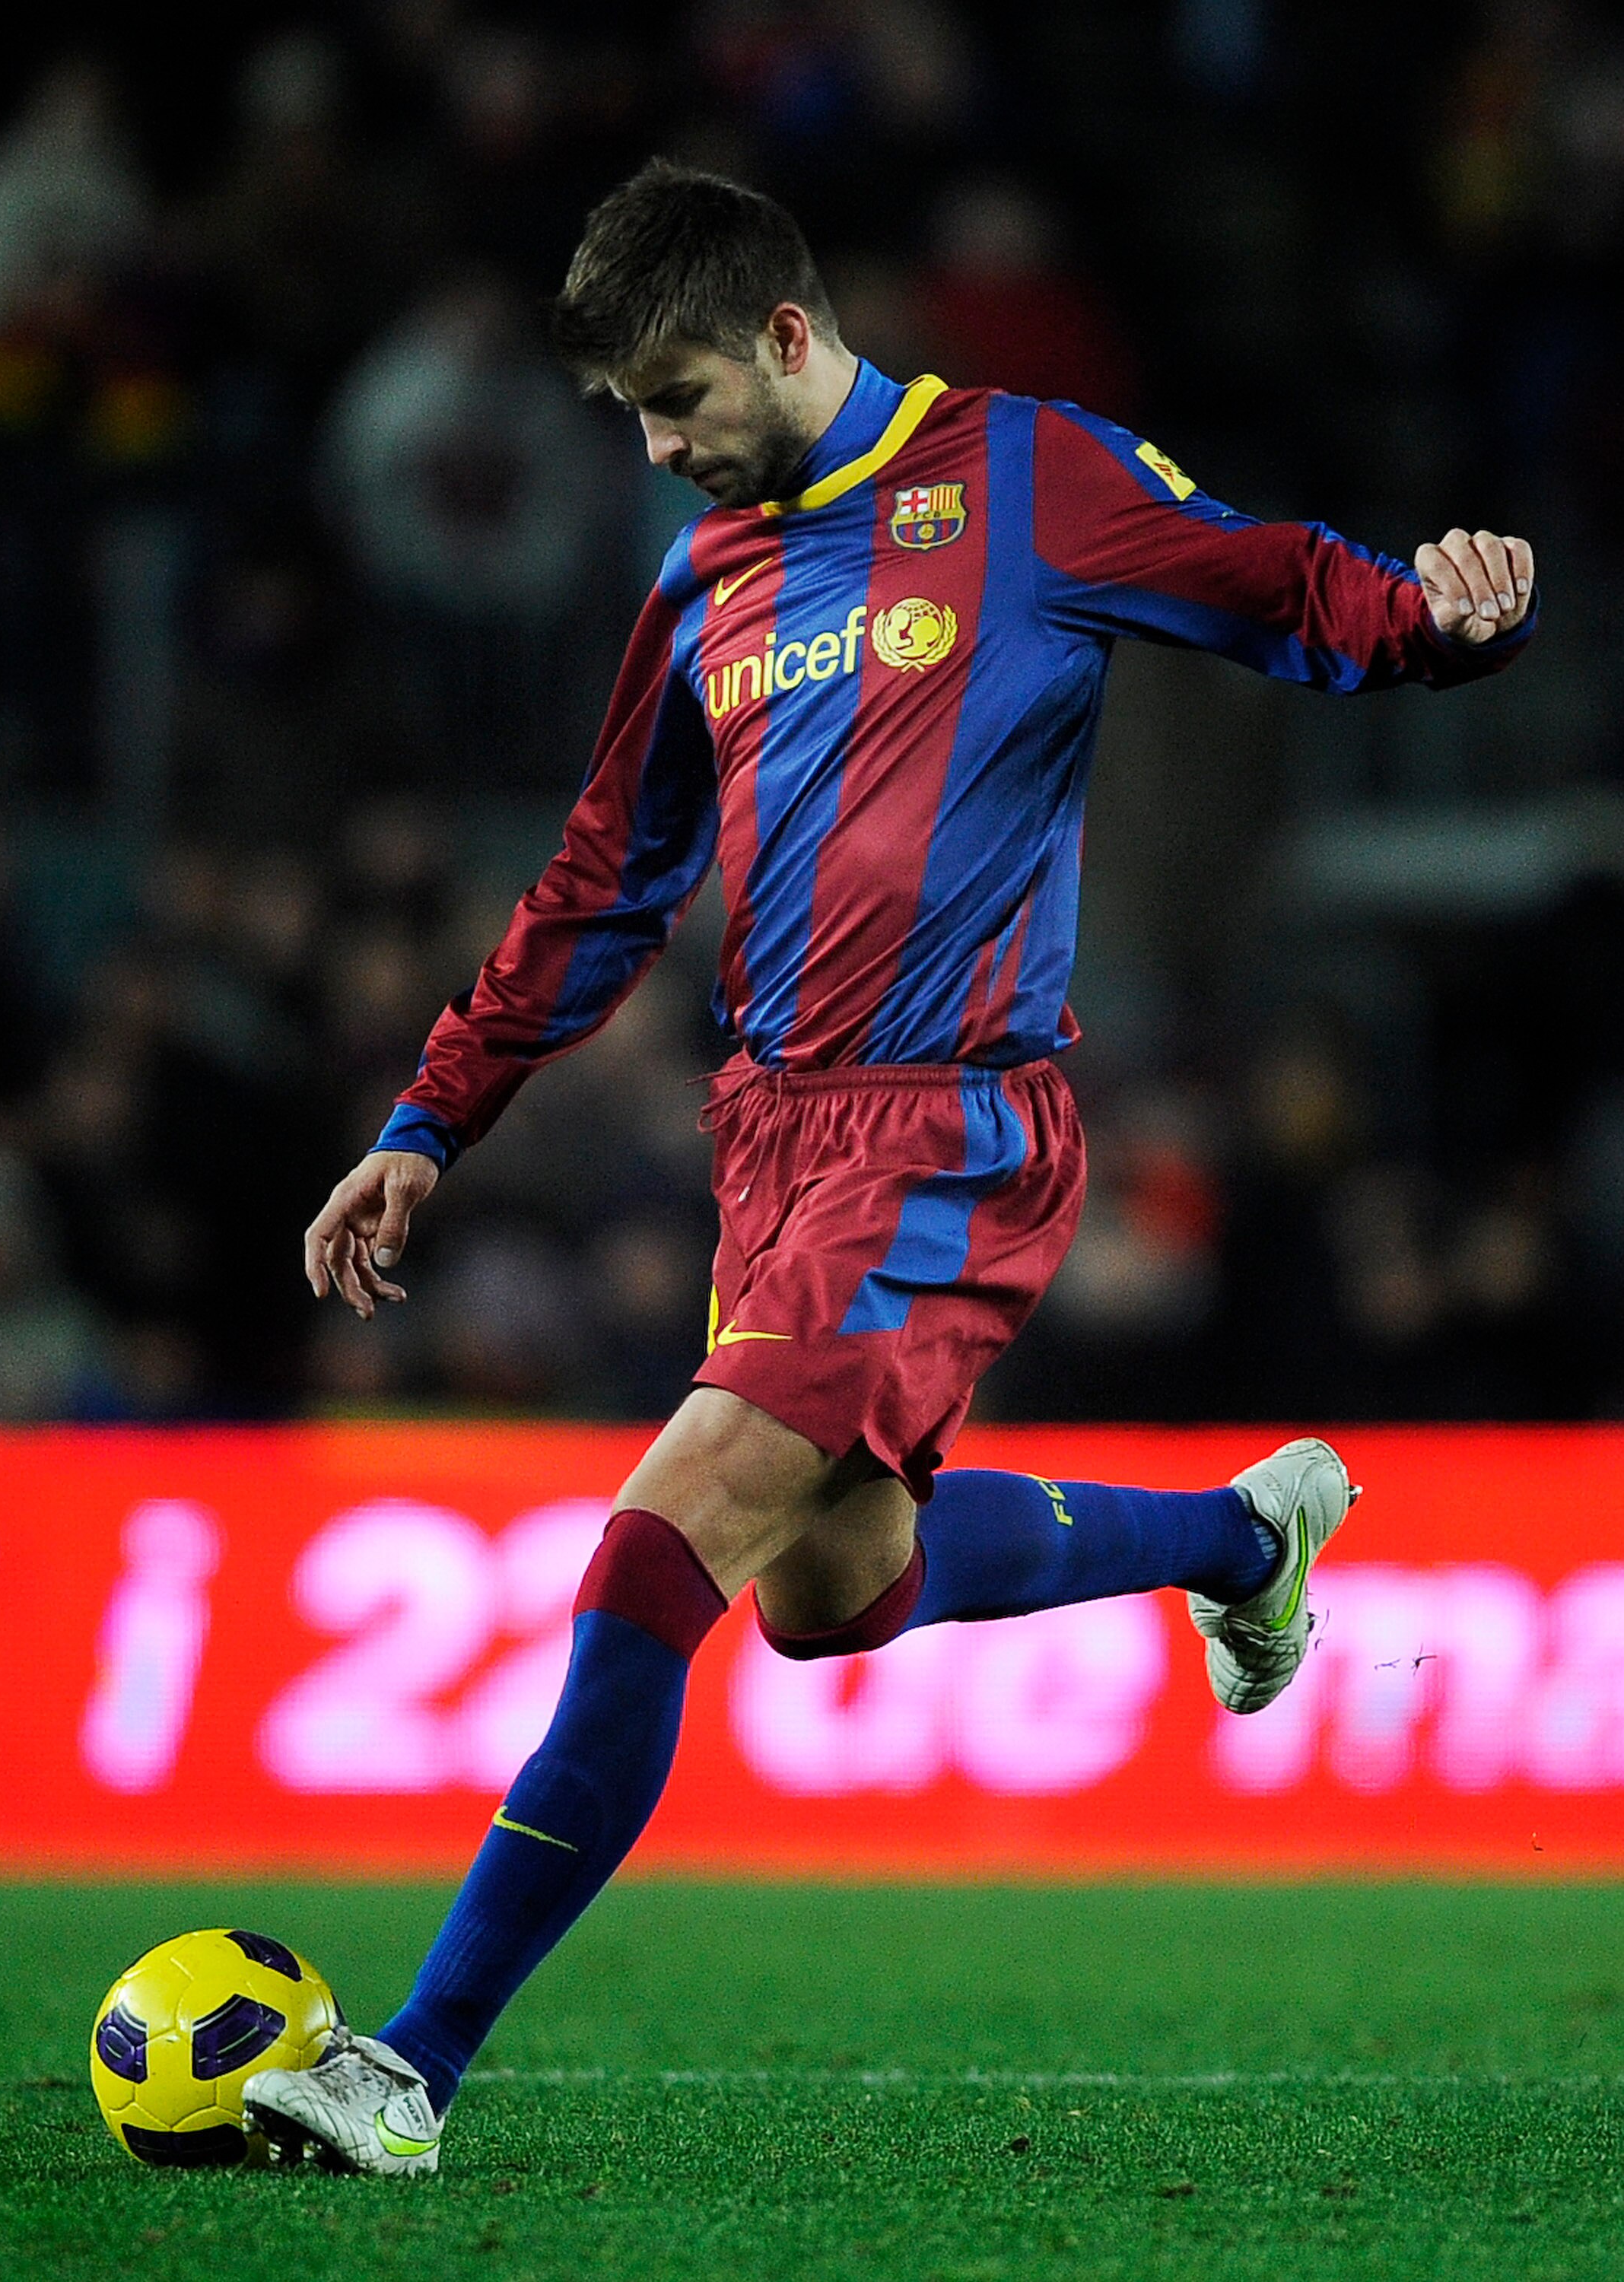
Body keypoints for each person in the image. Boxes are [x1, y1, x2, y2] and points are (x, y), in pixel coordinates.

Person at [243, 161, 1536, 2176]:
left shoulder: (1026, 478)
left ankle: (405, 2063)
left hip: (944, 1124)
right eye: (629, 421)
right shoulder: (702, 582)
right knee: (833, 1601)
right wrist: (428, 1117)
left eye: (675, 398)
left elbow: (1283, 587)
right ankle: (1238, 1544)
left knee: (648, 1554)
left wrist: (1438, 621)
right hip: (769, 1145)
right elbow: (601, 886)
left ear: (782, 331)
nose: (658, 447)